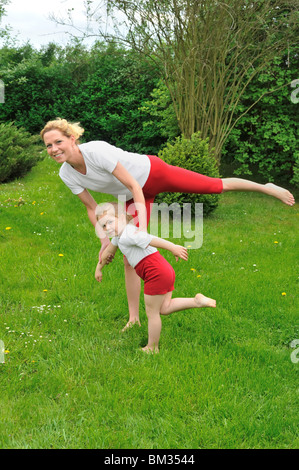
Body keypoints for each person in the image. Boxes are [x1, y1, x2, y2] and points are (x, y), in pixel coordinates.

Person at [40, 118, 295, 330]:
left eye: (58, 142)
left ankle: (266, 187)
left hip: (152, 173)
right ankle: (134, 318)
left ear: (72, 138)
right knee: (130, 256)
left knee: (215, 185)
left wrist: (138, 227)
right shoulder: (66, 174)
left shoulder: (96, 152)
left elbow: (133, 184)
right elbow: (92, 208)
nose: (53, 149)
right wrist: (105, 242)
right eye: (48, 145)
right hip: (132, 194)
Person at [94, 202, 216, 352]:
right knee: (164, 308)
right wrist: (99, 268)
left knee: (152, 313)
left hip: (155, 273)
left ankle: (152, 347)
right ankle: (196, 301)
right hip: (164, 270)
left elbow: (150, 238)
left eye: (110, 222)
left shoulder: (129, 234)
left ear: (122, 218)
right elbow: (108, 252)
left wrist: (172, 247)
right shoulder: (120, 237)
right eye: (103, 226)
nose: (108, 228)